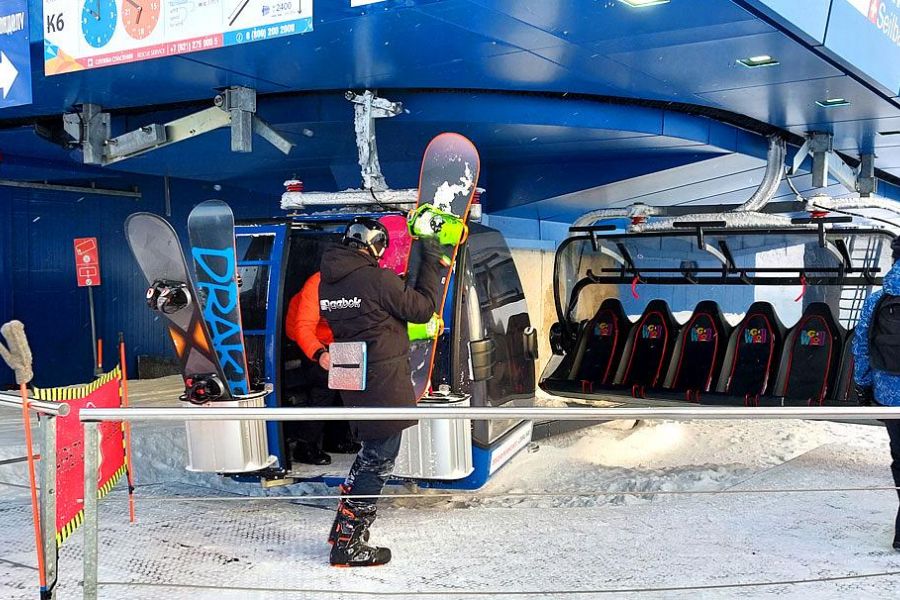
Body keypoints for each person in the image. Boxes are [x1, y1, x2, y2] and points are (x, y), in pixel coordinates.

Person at [319, 216, 444, 567]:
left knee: (369, 453)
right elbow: (421, 310)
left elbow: (372, 306)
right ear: (374, 245)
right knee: (380, 456)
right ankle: (349, 544)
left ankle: (343, 527)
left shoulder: (329, 281)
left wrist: (399, 283)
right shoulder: (375, 278)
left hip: (352, 373)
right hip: (380, 375)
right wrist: (431, 261)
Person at [853, 236, 900, 552]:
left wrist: (863, 385)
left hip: (889, 393)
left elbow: (861, 346)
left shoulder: (877, 299)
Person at [285, 272, 360, 465]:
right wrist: (319, 353)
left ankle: (334, 440)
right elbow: (303, 328)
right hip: (309, 339)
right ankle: (305, 446)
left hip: (338, 339)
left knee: (345, 388)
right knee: (323, 387)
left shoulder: (362, 280)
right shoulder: (317, 283)